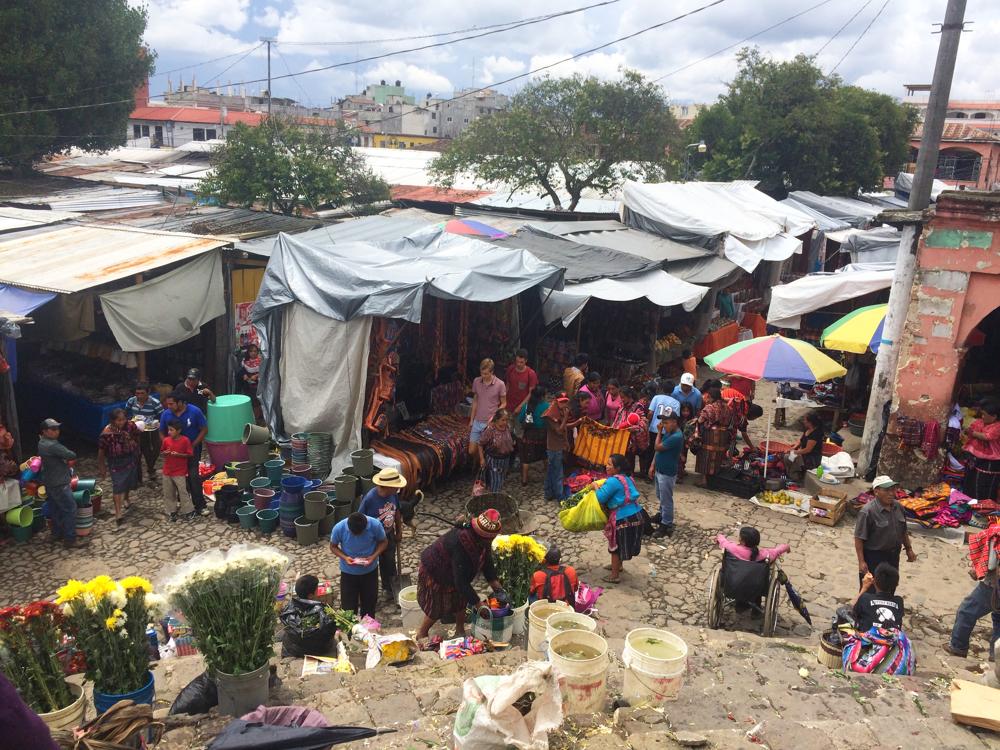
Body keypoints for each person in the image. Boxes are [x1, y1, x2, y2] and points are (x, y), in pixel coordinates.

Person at [415, 509, 505, 640]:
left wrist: (496, 586)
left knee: (461, 600)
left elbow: (487, 560)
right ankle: (422, 633)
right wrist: (478, 604)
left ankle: (460, 630)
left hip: (455, 572)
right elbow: (461, 582)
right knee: (437, 606)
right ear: (480, 535)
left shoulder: (483, 542)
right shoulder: (461, 542)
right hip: (436, 569)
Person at [942, 524, 1000, 660]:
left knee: (966, 611)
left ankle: (958, 647)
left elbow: (991, 564)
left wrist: (980, 569)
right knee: (998, 620)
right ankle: (996, 656)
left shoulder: (996, 533)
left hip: (993, 587)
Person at [854, 476, 917, 585]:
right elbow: (859, 538)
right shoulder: (867, 512)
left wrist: (909, 549)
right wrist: (861, 561)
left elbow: (903, 530)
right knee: (870, 589)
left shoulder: (898, 507)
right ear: (876, 491)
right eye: (887, 490)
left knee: (890, 587)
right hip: (874, 557)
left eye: (893, 489)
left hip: (893, 556)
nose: (891, 493)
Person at [593, 454, 644, 584]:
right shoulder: (628, 478)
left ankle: (614, 575)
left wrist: (595, 487)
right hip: (636, 514)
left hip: (623, 518)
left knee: (615, 546)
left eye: (610, 464)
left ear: (617, 468)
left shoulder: (613, 481)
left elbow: (600, 497)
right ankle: (619, 566)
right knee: (621, 543)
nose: (607, 466)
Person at [159, 391, 210, 516]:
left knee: (193, 476)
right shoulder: (166, 414)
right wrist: (167, 444)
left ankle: (200, 505)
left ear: (181, 402)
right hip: (174, 456)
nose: (169, 406)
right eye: (168, 404)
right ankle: (178, 506)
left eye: (172, 404)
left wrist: (193, 445)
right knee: (175, 480)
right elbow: (161, 432)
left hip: (191, 451)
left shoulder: (195, 411)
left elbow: (204, 429)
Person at [329, 511, 388, 619]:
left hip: (370, 572)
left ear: (366, 527)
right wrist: (345, 557)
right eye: (354, 534)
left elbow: (384, 542)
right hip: (348, 573)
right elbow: (333, 546)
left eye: (360, 533)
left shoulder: (375, 525)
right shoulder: (339, 528)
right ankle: (350, 632)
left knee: (369, 605)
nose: (357, 536)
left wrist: (373, 556)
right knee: (348, 609)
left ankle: (368, 630)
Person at [358, 467, 405, 599]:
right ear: (387, 486)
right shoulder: (370, 499)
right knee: (371, 564)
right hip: (372, 539)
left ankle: (390, 588)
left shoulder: (394, 495)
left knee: (389, 562)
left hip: (389, 534)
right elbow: (360, 520)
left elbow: (397, 512)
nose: (397, 489)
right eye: (395, 487)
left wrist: (399, 530)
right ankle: (368, 592)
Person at [38, 419, 81, 549]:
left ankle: (56, 533)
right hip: (59, 482)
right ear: (44, 431)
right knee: (70, 508)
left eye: (57, 428)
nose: (56, 431)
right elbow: (71, 454)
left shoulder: (41, 442)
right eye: (53, 429)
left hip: (49, 481)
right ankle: (70, 538)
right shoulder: (52, 445)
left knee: (55, 508)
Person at [97, 408, 141, 528]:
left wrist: (135, 448)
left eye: (123, 419)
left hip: (130, 458)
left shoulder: (130, 426)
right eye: (119, 420)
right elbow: (101, 452)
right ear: (112, 421)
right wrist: (102, 467)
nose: (121, 422)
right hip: (116, 462)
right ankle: (118, 513)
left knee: (128, 482)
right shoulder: (106, 434)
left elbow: (137, 435)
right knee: (118, 485)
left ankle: (126, 498)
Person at [279, 575, 335, 658]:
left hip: (294, 649)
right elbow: (330, 630)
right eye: (316, 590)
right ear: (310, 595)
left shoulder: (290, 608)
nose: (318, 592)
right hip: (318, 650)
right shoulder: (322, 610)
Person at [650, 409, 684, 538]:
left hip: (667, 472)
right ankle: (661, 514)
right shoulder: (669, 433)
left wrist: (658, 432)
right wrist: (653, 465)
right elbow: (658, 452)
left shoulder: (676, 436)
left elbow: (657, 447)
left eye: (666, 422)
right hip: (660, 469)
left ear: (674, 422)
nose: (663, 425)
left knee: (666, 499)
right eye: (662, 422)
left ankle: (666, 523)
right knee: (661, 496)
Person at [469, 358, 506, 470]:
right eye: (481, 373)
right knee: (472, 451)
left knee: (490, 449)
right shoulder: (476, 381)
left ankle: (484, 469)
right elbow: (475, 400)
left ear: (492, 372)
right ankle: (480, 463)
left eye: (485, 373)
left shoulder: (500, 384)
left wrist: (494, 417)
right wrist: (471, 419)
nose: (483, 376)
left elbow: (504, 403)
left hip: (490, 423)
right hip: (477, 421)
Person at [125, 382, 163, 484]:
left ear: (148, 392)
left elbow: (162, 416)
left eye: (142, 393)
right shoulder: (131, 401)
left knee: (155, 449)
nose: (139, 396)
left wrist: (156, 423)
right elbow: (125, 412)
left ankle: (151, 468)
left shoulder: (155, 402)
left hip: (152, 429)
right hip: (136, 430)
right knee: (137, 452)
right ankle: (138, 478)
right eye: (137, 393)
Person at [693, 387, 732, 485]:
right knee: (718, 455)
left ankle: (704, 480)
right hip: (723, 434)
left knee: (706, 455)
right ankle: (713, 478)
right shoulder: (727, 407)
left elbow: (701, 420)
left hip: (710, 434)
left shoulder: (709, 408)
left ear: (710, 396)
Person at [963, 400, 1000, 501]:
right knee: (970, 481)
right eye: (982, 414)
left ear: (994, 416)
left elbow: (988, 437)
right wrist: (969, 431)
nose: (982, 417)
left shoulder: (997, 427)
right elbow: (971, 428)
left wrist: (972, 433)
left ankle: (983, 507)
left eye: (985, 414)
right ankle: (968, 502)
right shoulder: (980, 422)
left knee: (983, 485)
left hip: (990, 461)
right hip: (975, 457)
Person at [852, 563, 904, 632]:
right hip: (892, 640)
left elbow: (853, 610)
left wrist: (864, 587)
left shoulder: (865, 598)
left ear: (874, 581)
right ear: (896, 585)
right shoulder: (899, 601)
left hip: (868, 641)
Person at [160, 419, 195, 522]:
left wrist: (179, 454)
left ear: (178, 430)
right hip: (167, 471)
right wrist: (165, 453)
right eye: (168, 430)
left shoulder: (185, 440)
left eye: (171, 430)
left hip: (179, 472)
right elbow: (162, 452)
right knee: (168, 492)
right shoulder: (166, 440)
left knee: (182, 491)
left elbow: (190, 454)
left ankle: (188, 511)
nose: (169, 432)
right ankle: (172, 511)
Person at [611, 387, 649, 475]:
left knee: (630, 460)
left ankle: (629, 477)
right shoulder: (622, 407)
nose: (622, 399)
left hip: (632, 440)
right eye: (621, 397)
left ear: (629, 396)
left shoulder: (637, 407)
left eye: (623, 397)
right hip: (622, 439)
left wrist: (634, 428)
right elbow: (617, 420)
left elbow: (643, 423)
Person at [517, 386, 549, 486]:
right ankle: (548, 476)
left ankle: (524, 480)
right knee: (545, 456)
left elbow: (520, 419)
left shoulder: (527, 406)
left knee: (526, 459)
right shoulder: (547, 406)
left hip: (529, 436)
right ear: (543, 396)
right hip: (543, 436)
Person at [479, 409, 515, 493]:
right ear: (496, 419)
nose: (505, 422)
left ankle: (495, 496)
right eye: (503, 420)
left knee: (501, 480)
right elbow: (480, 444)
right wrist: (482, 459)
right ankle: (494, 499)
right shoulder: (490, 430)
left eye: (506, 420)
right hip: (493, 460)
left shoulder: (508, 428)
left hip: (505, 460)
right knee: (495, 481)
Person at [543, 395, 570, 501]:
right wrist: (566, 418)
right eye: (561, 402)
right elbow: (559, 430)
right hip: (553, 447)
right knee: (558, 472)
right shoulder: (550, 414)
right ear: (556, 401)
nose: (564, 404)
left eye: (565, 401)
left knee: (552, 470)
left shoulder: (561, 411)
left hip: (559, 445)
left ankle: (549, 493)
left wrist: (566, 442)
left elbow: (565, 430)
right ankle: (559, 497)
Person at [785, 412, 826, 481]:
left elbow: (808, 450)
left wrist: (794, 451)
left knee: (794, 457)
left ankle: (796, 476)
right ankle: (791, 472)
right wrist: (793, 448)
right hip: (804, 454)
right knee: (787, 456)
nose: (804, 422)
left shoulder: (816, 433)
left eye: (805, 421)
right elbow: (801, 441)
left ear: (810, 422)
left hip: (812, 458)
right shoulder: (807, 429)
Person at [716, 526, 790, 563]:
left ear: (742, 541)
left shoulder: (732, 548)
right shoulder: (763, 555)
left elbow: (723, 542)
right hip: (754, 583)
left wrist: (719, 536)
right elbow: (777, 551)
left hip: (732, 579)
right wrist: (787, 547)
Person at [504, 348, 538, 429]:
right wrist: (503, 401)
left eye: (521, 362)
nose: (519, 364)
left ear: (526, 361)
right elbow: (507, 385)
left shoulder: (531, 374)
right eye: (517, 362)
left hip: (522, 409)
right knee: (506, 429)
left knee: (519, 431)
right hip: (508, 406)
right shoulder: (511, 369)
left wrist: (520, 407)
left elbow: (531, 393)